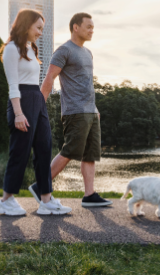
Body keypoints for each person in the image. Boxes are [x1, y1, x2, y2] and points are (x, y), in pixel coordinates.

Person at [32, 12, 112, 207]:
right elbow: (50, 77)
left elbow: (87, 83)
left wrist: (95, 108)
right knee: (69, 151)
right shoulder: (64, 51)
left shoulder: (87, 53)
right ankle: (40, 185)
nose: (92, 30)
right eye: (89, 26)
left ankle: (89, 195)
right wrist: (39, 107)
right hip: (75, 111)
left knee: (90, 154)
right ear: (76, 27)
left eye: (93, 27)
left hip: (90, 111)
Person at [0, 9, 72, 216]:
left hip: (36, 98)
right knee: (20, 151)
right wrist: (18, 113)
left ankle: (46, 200)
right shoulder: (12, 48)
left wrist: (39, 102)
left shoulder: (31, 48)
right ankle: (6, 200)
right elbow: (13, 85)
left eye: (42, 28)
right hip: (21, 99)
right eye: (38, 28)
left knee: (44, 147)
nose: (40, 32)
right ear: (26, 25)